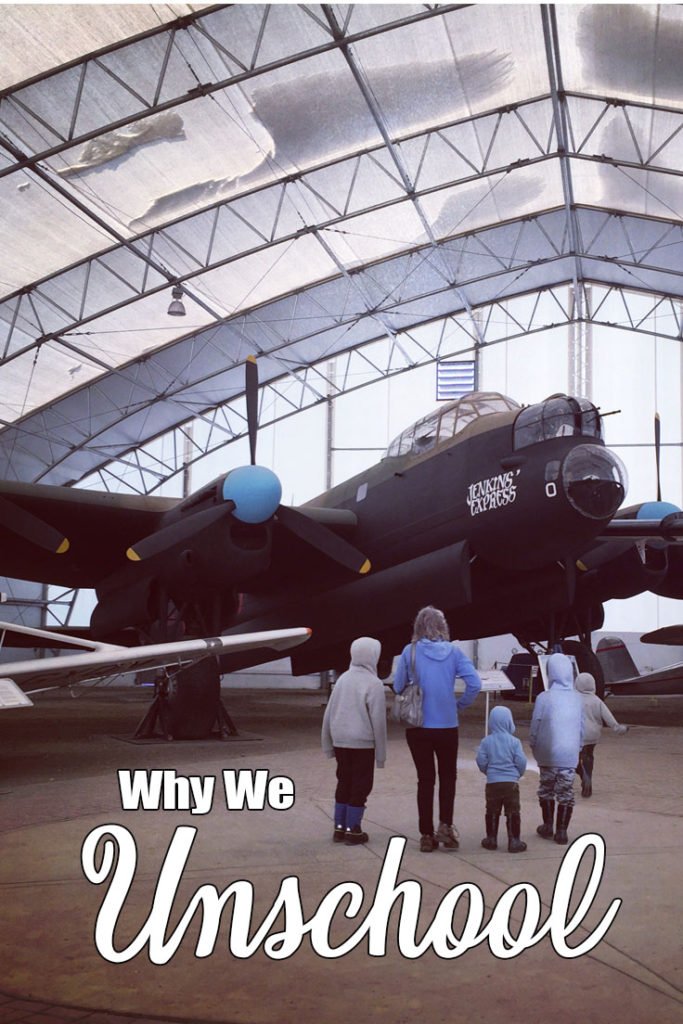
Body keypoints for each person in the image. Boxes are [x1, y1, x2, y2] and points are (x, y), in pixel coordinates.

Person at [393, 606, 481, 852]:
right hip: (447, 725)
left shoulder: (408, 652)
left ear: (418, 626)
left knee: (425, 780)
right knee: (448, 778)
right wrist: (459, 705)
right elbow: (474, 683)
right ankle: (446, 827)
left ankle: (426, 835)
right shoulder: (454, 653)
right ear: (442, 626)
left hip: (418, 726)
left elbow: (398, 686)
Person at [321, 636, 387, 846]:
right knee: (361, 785)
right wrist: (381, 755)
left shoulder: (342, 680)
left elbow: (329, 713)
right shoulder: (374, 684)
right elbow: (378, 722)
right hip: (362, 744)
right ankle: (353, 830)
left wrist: (327, 743)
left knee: (344, 781)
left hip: (340, 741)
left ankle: (339, 828)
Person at [529, 651, 583, 845]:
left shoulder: (544, 697)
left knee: (546, 789)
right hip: (569, 754)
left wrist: (533, 743)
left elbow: (536, 723)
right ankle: (562, 831)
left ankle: (548, 825)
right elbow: (581, 728)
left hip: (548, 752)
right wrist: (578, 748)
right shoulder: (577, 699)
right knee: (566, 792)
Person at [475, 705, 527, 853]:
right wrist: (517, 774)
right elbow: (521, 761)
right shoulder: (514, 742)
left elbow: (481, 760)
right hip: (511, 783)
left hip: (492, 783)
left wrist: (488, 772)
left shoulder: (486, 741)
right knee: (513, 811)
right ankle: (514, 841)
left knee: (492, 810)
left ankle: (491, 839)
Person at [575, 671, 628, 797]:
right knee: (589, 756)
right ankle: (588, 779)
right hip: (593, 734)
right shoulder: (597, 701)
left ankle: (583, 775)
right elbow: (608, 717)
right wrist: (618, 728)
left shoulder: (572, 699)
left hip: (577, 734)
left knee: (574, 759)